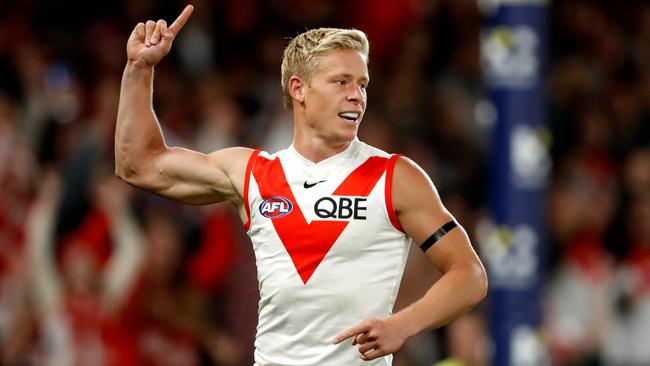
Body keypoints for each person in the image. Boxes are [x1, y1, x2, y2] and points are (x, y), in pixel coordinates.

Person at [115, 5, 488, 365]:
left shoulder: (395, 178)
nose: (356, 95)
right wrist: (139, 68)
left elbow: (469, 274)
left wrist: (401, 326)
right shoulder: (251, 173)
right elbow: (138, 165)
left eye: (361, 84)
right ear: (299, 89)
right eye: (341, 82)